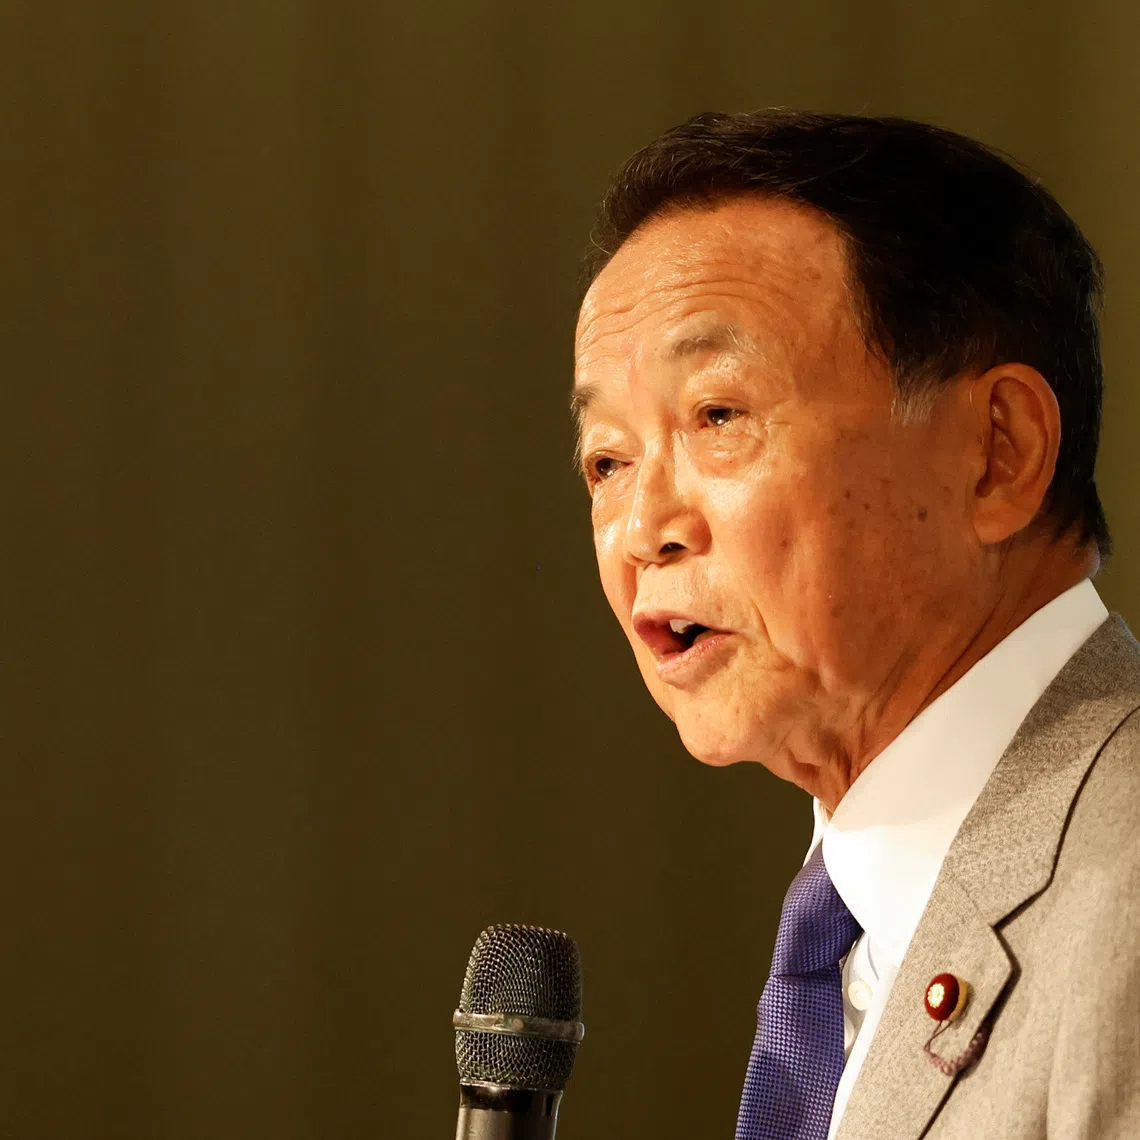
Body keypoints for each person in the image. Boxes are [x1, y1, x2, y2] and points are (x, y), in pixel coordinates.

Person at [571, 111, 1140, 1140]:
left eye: (718, 417)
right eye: (607, 461)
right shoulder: (858, 919)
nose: (642, 529)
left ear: (996, 453)